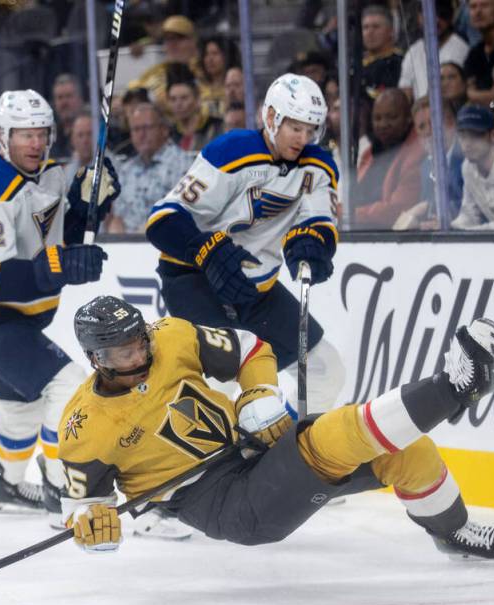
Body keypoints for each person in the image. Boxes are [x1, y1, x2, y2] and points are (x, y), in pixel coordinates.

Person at [59, 295, 494, 561]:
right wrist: (93, 526)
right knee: (326, 441)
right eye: (124, 353)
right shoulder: (83, 425)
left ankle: (453, 531)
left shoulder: (169, 337)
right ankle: (456, 387)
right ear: (96, 359)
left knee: (407, 452)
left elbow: (249, 348)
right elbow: (84, 504)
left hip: (252, 448)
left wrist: (257, 394)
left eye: (139, 342)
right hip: (222, 503)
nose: (139, 356)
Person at [0, 89, 120, 523]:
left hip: (17, 316)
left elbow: (56, 240)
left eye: (41, 133)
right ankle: (63, 489)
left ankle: (6, 485)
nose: (35, 143)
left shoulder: (52, 174)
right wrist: (62, 264)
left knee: (23, 405)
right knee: (68, 385)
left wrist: (89, 205)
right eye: (24, 135)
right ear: (3, 136)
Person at [146, 73, 345, 414]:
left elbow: (318, 220)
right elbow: (162, 221)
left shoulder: (319, 166)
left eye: (310, 129)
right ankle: (207, 460)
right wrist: (206, 249)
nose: (303, 138)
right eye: (295, 127)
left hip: (256, 288)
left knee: (325, 369)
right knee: (220, 378)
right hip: (195, 281)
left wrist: (312, 243)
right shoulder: (232, 152)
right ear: (271, 118)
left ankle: (287, 449)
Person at [106, 102, 193, 234]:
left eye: (147, 128)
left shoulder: (183, 165)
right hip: (126, 247)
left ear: (164, 130)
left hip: (167, 244)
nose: (141, 135)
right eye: (136, 129)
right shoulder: (125, 170)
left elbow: (185, 214)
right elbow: (118, 218)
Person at [352, 88, 425, 228]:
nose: (383, 124)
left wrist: (349, 214)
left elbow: (396, 211)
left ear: (408, 118)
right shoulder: (369, 152)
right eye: (377, 118)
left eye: (392, 117)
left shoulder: (417, 153)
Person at [394, 98, 465, 229]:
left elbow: (470, 207)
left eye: (433, 123)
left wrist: (427, 207)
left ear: (451, 123)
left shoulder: (468, 158)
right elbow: (430, 215)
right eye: (421, 126)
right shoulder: (425, 166)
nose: (428, 131)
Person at [398, 0, 470, 102]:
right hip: (419, 112)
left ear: (451, 16)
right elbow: (405, 91)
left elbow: (461, 93)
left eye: (441, 15)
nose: (435, 20)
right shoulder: (413, 51)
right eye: (429, 15)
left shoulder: (461, 48)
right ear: (419, 17)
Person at [166, 73, 223, 152]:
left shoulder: (218, 127)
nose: (178, 104)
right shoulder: (168, 135)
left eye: (184, 98)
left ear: (198, 100)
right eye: (173, 99)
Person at [361, 4, 403, 99]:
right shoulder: (353, 63)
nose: (370, 32)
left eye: (376, 27)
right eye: (365, 27)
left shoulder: (399, 63)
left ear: (391, 31)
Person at [49, 74, 85, 160]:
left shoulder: (93, 131)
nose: (64, 103)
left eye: (69, 96)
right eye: (60, 98)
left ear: (80, 99)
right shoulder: (50, 136)